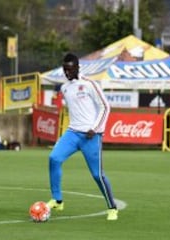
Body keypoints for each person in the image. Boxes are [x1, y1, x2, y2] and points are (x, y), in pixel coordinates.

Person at [47, 53, 118, 221]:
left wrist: (96, 128)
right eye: (64, 69)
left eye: (70, 69)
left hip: (91, 136)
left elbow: (105, 107)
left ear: (78, 67)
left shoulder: (89, 84)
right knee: (54, 158)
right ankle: (57, 200)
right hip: (72, 133)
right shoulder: (65, 88)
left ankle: (112, 207)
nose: (67, 72)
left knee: (97, 175)